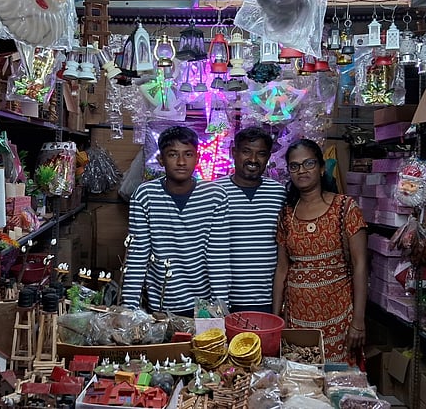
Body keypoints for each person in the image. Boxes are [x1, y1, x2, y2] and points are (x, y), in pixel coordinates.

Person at [272, 138, 368, 364]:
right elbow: (282, 270)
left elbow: (361, 265)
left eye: (309, 164)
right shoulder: (287, 215)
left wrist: (359, 321)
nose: (301, 171)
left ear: (322, 167)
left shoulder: (345, 208)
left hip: (339, 314)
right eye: (294, 166)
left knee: (339, 384)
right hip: (297, 318)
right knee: (301, 385)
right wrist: (276, 318)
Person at [122, 126, 230, 316]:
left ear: (197, 158)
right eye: (173, 155)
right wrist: (128, 309)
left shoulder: (215, 196)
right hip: (161, 305)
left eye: (188, 154)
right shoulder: (145, 195)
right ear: (160, 159)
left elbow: (218, 257)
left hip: (203, 306)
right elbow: (138, 255)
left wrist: (220, 308)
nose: (181, 162)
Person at [217, 126, 286, 313]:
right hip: (224, 299)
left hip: (267, 299)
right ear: (234, 153)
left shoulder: (279, 194)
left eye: (261, 154)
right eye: (246, 152)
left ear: (268, 157)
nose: (253, 160)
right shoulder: (213, 192)